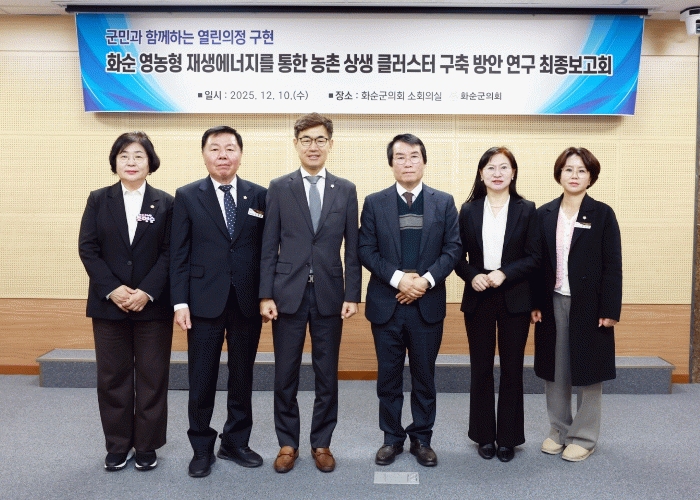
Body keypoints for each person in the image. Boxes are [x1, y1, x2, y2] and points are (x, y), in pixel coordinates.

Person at [259, 113, 361, 474]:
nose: (313, 146)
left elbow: (353, 248)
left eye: (320, 140)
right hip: (286, 294)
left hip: (330, 295)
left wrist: (352, 294)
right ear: (296, 144)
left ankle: (322, 442)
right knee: (285, 373)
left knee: (326, 374)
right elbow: (268, 246)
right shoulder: (279, 187)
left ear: (330, 144)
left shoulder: (345, 189)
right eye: (306, 140)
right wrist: (265, 295)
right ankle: (287, 443)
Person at [358, 133, 461, 467]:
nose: (407, 163)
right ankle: (391, 438)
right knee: (388, 378)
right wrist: (399, 279)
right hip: (386, 306)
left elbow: (453, 249)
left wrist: (424, 281)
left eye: (414, 156)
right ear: (391, 163)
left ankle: (422, 439)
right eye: (400, 157)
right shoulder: (374, 202)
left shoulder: (444, 202)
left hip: (426, 306)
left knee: (424, 378)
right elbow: (365, 249)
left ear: (424, 161)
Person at [170, 126, 267, 477]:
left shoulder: (260, 196)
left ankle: (235, 442)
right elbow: (178, 254)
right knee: (201, 378)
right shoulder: (187, 195)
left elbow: (267, 252)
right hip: (202, 302)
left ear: (240, 154)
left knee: (242, 376)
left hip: (246, 301)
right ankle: (201, 447)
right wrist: (179, 302)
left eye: (229, 148)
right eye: (215, 148)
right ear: (204, 154)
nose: (222, 155)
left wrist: (266, 294)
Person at [78, 131, 174, 472]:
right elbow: (88, 248)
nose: (131, 162)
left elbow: (170, 253)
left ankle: (146, 446)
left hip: (153, 307)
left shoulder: (166, 203)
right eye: (124, 156)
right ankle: (118, 445)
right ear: (115, 162)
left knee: (152, 378)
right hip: (109, 306)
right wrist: (113, 289)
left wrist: (146, 291)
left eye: (138, 156)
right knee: (112, 379)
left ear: (150, 162)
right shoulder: (98, 199)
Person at [531, 147, 622, 462]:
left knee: (589, 369)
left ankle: (583, 437)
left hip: (590, 305)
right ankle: (558, 430)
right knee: (554, 370)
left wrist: (610, 309)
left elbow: (613, 265)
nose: (574, 175)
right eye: (568, 169)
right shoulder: (543, 214)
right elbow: (536, 263)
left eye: (581, 170)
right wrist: (535, 302)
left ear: (591, 177)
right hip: (552, 302)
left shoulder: (603, 214)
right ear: (559, 174)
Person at [454, 147, 538, 463]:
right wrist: (472, 275)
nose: (497, 173)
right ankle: (484, 435)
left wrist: (505, 272)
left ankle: (508, 438)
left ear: (513, 173)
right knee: (481, 368)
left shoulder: (527, 209)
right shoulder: (468, 209)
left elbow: (535, 257)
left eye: (504, 167)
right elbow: (456, 256)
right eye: (491, 167)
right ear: (481, 174)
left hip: (515, 297)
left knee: (512, 369)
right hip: (479, 296)